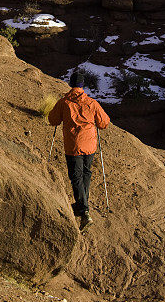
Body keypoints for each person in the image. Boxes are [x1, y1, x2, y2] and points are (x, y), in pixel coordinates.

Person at [48, 69, 110, 231]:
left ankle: (84, 212)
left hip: (73, 146)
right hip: (90, 146)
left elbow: (52, 120)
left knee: (76, 177)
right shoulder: (92, 103)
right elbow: (104, 123)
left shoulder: (64, 102)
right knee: (86, 173)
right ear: (83, 86)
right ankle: (83, 205)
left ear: (71, 84)